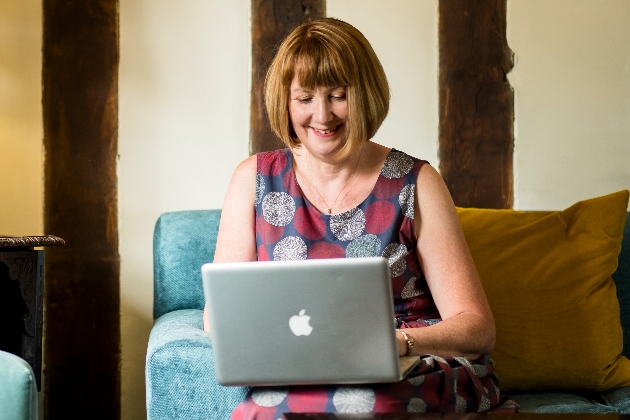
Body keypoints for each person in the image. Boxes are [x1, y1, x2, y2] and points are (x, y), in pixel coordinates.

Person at [204, 17, 517, 417]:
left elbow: (476, 327)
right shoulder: (253, 178)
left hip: (413, 363)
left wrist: (392, 343)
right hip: (305, 372)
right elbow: (220, 318)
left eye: (338, 95)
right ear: (285, 101)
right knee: (261, 411)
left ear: (365, 95)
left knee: (363, 403)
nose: (322, 115)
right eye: (304, 98)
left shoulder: (415, 181)